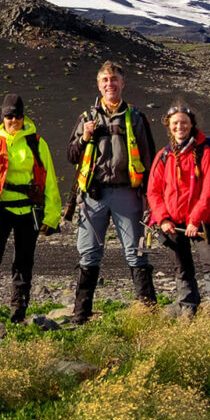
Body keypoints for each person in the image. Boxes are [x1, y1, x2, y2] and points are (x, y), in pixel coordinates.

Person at [66, 61, 157, 324]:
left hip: (127, 194)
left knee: (137, 252)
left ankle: (148, 313)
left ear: (123, 84)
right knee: (89, 253)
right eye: (105, 80)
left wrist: (150, 199)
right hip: (93, 196)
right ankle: (81, 315)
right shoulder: (87, 118)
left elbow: (149, 159)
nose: (110, 84)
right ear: (98, 85)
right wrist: (85, 137)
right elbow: (71, 155)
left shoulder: (136, 117)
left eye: (114, 79)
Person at [0, 93, 62, 323]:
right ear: (3, 117)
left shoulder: (37, 143)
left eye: (17, 116)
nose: (13, 120)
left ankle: (18, 313)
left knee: (24, 262)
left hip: (28, 211)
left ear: (23, 116)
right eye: (9, 116)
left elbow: (49, 181)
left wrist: (51, 216)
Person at [147, 99, 210, 315]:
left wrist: (195, 219)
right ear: (168, 126)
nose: (179, 127)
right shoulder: (163, 156)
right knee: (181, 267)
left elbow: (209, 191)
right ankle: (188, 310)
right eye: (175, 123)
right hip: (172, 224)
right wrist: (163, 219)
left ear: (191, 124)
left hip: (202, 222)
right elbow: (153, 192)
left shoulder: (206, 153)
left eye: (183, 123)